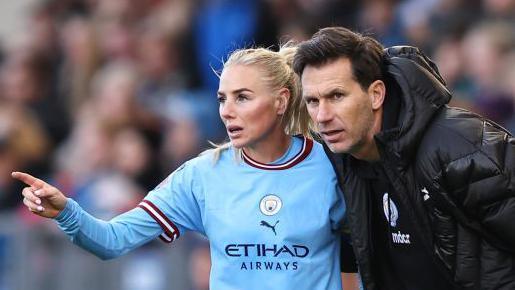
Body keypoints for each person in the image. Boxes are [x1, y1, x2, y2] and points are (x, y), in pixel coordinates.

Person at [12, 45, 360, 290]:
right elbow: (112, 240)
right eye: (222, 98)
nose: (227, 111)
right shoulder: (202, 175)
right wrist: (65, 212)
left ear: (281, 101)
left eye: (243, 97)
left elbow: (369, 257)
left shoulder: (332, 166)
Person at [293, 26, 515, 290]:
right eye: (313, 101)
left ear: (376, 94)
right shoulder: (341, 161)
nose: (322, 116)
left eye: (336, 96)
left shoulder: (457, 144)